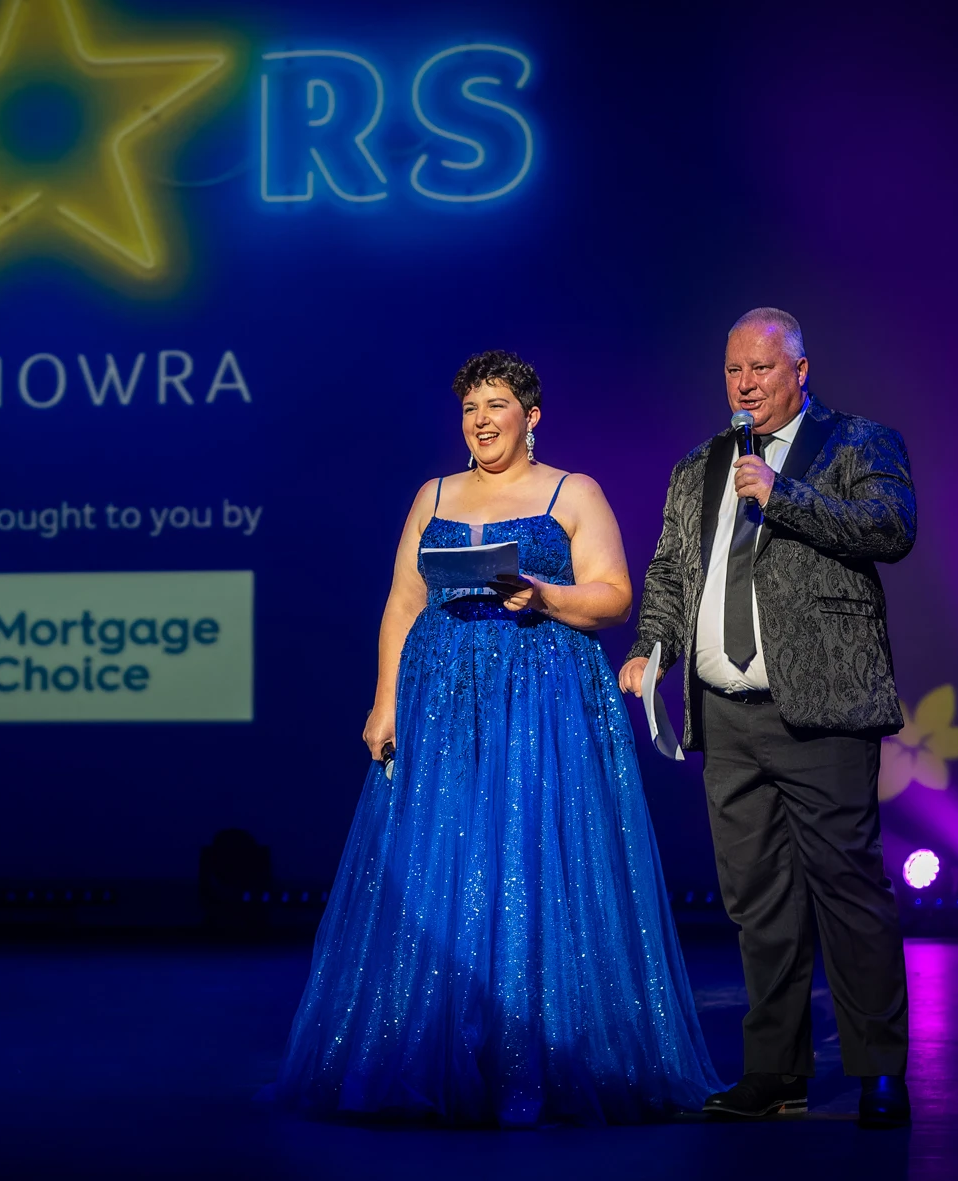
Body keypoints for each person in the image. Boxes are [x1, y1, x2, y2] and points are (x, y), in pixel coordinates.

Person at [270, 350, 720, 1125]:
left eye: (497, 405)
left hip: (543, 699)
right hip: (443, 702)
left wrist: (542, 594)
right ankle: (440, 1048)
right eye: (471, 408)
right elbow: (402, 602)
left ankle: (543, 1059)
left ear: (531, 415)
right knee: (445, 864)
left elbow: (615, 597)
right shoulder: (434, 494)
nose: (481, 421)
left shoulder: (571, 491)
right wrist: (383, 704)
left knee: (535, 863)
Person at [618, 308, 915, 1128]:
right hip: (725, 713)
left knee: (849, 892)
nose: (745, 384)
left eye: (761, 368)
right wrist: (653, 648)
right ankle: (773, 1072)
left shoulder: (859, 442)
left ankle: (879, 1070)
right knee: (756, 900)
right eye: (733, 371)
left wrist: (786, 496)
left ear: (801, 370)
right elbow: (672, 570)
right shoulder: (700, 465)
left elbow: (892, 529)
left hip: (821, 707)